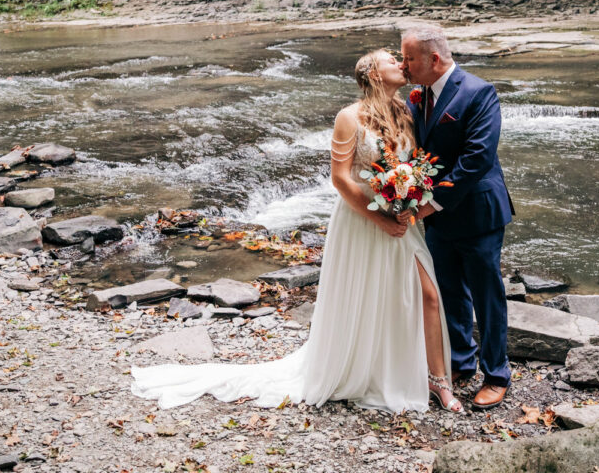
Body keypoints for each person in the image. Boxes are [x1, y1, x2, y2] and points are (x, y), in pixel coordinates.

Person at [130, 49, 461, 413]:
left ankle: (438, 380)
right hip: (362, 221)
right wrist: (380, 218)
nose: (401, 62)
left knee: (426, 294)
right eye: (391, 59)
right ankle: (366, 370)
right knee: (370, 296)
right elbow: (340, 178)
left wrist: (408, 205)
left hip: (402, 219)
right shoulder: (348, 118)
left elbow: (412, 166)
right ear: (372, 73)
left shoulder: (407, 111)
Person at [399, 24, 514, 410]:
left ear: (433, 59)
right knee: (448, 290)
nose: (404, 66)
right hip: (438, 219)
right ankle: (461, 361)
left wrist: (430, 204)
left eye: (409, 58)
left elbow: (476, 159)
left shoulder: (478, 91)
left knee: (487, 295)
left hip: (478, 213)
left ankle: (497, 375)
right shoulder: (419, 96)